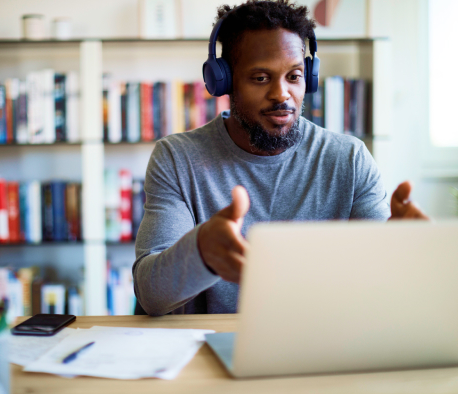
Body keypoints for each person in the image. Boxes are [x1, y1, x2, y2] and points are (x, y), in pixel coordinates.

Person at [133, 0, 428, 316]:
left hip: (323, 348)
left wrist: (403, 252)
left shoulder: (349, 160)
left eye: (294, 76)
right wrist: (201, 249)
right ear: (226, 81)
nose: (281, 94)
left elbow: (381, 289)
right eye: (261, 78)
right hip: (211, 349)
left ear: (309, 78)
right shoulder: (178, 159)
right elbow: (151, 295)